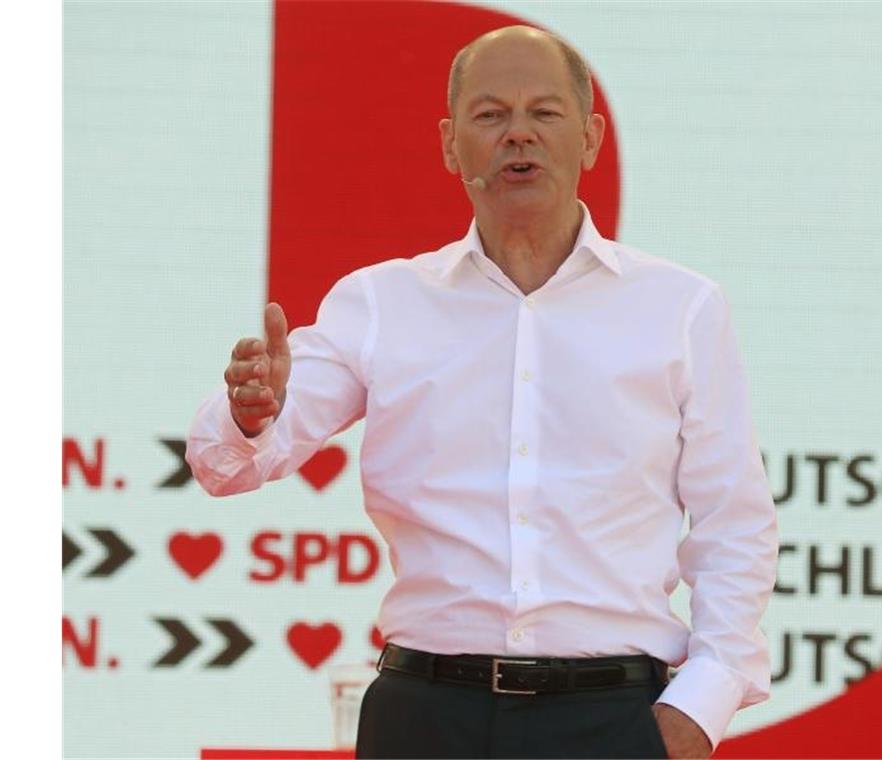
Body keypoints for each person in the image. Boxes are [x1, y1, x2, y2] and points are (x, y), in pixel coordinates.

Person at [187, 25, 778, 760]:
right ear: (449, 143)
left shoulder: (681, 308)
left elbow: (735, 524)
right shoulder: (381, 303)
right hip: (425, 718)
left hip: (612, 721)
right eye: (491, 115)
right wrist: (250, 415)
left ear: (591, 138)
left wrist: (701, 707)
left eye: (545, 113)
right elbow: (228, 465)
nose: (518, 135)